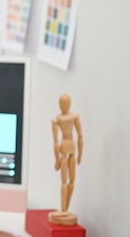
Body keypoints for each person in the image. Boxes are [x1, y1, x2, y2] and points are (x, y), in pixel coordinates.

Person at [49, 93, 83, 225]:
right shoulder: (59, 119)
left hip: (67, 146)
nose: (63, 106)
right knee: (67, 180)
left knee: (70, 180)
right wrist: (57, 159)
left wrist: (57, 159)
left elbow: (57, 142)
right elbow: (79, 136)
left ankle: (65, 208)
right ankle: (64, 208)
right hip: (69, 147)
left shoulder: (62, 119)